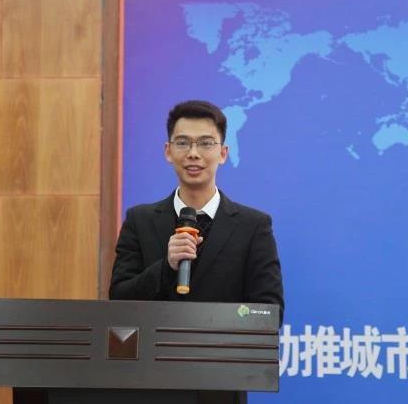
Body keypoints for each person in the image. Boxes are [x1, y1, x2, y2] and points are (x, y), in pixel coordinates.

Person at [109, 100, 284, 403]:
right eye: (183, 143)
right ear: (168, 151)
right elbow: (119, 299)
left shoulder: (253, 226)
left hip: (220, 384)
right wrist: (166, 266)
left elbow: (270, 311)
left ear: (223, 153)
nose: (193, 153)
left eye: (205, 143)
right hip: (149, 383)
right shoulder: (140, 220)